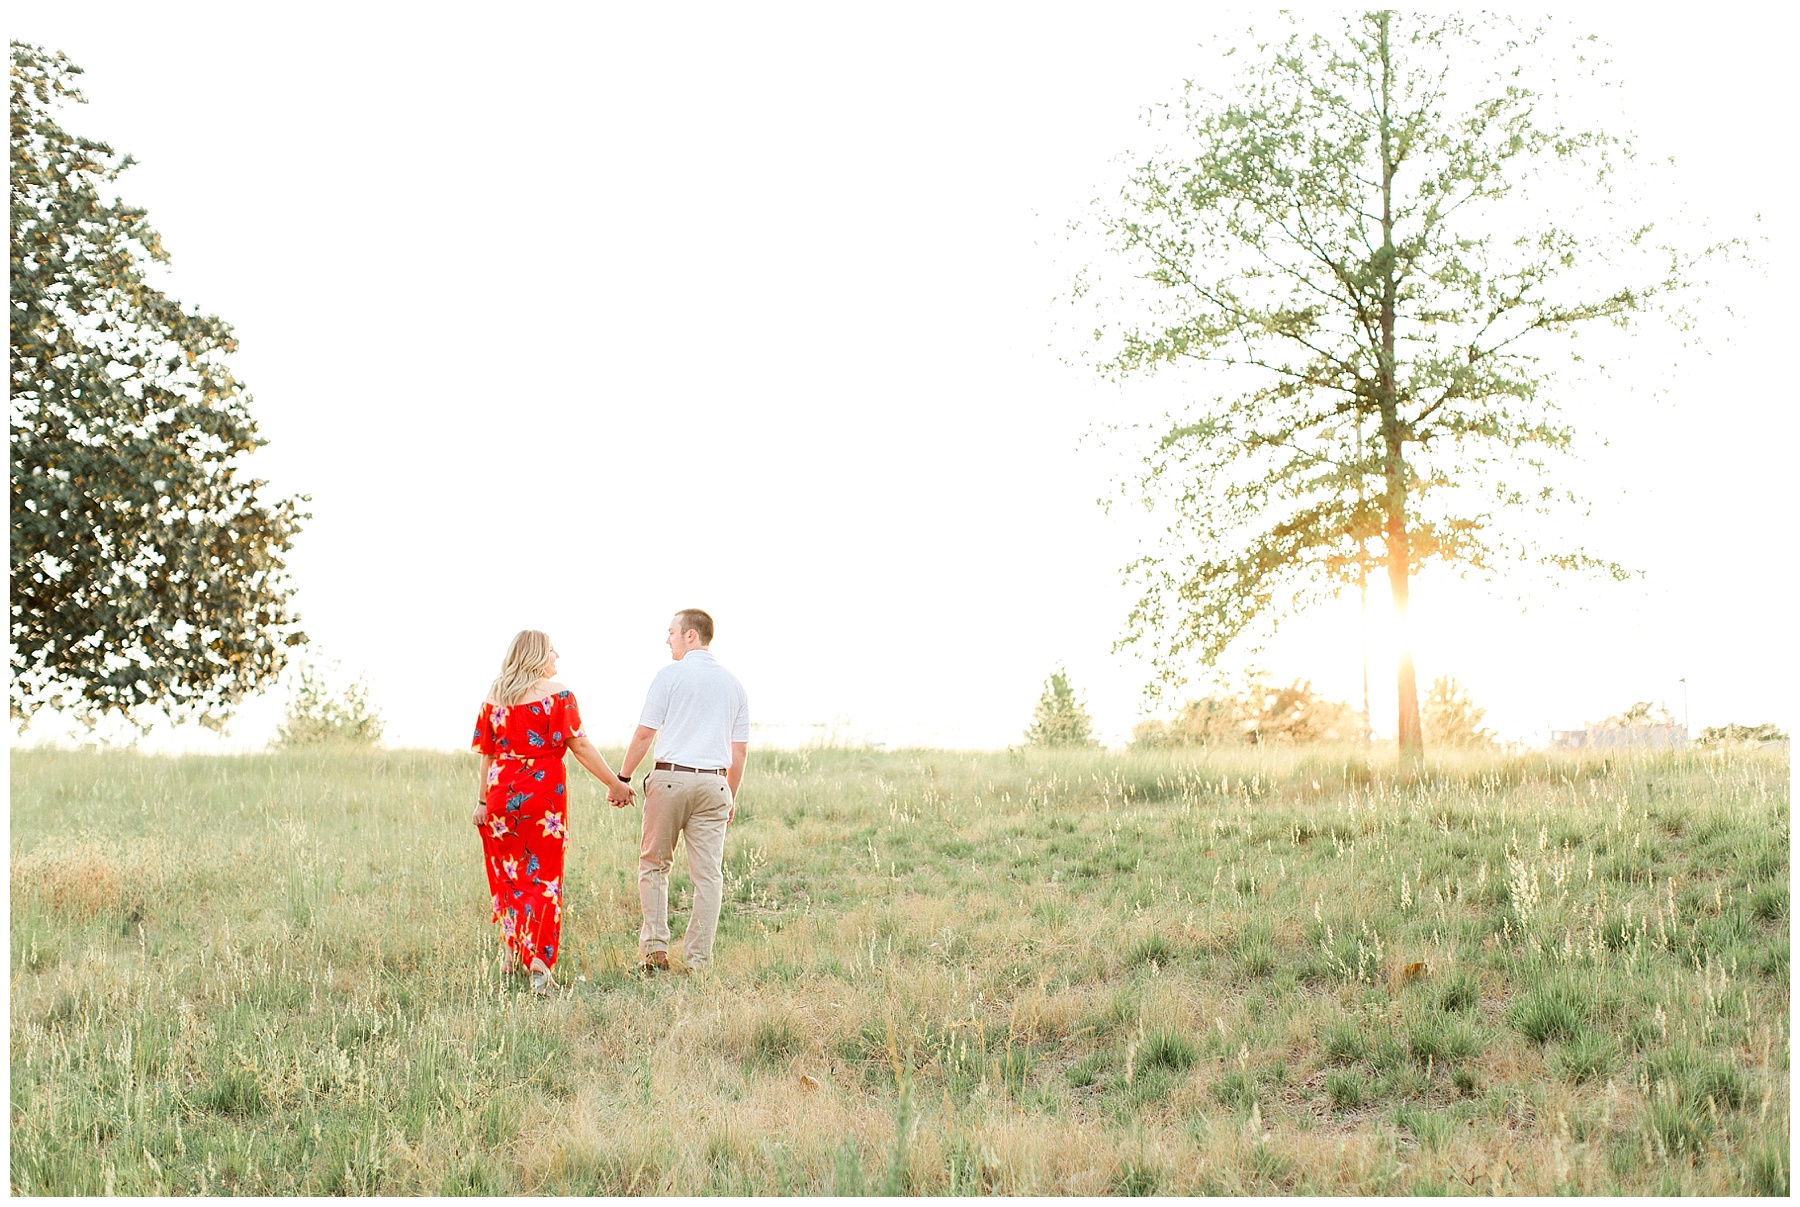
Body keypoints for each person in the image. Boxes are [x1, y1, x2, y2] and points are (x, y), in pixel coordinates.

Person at [472, 630, 633, 994]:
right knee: (543, 878)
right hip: (542, 796)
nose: (557, 656)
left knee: (511, 875)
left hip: (500, 795)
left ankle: (513, 956)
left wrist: (481, 802)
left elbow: (487, 753)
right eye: (552, 651)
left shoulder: (494, 697)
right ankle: (540, 966)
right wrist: (615, 783)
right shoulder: (559, 695)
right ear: (538, 656)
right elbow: (580, 746)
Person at [616, 609, 749, 976]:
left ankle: (655, 953)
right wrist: (730, 795)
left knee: (654, 866)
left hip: (671, 780)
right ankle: (698, 963)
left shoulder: (669, 676)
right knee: (708, 876)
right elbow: (738, 751)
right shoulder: (734, 685)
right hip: (714, 785)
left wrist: (623, 777)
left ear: (691, 635)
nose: (668, 639)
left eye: (671, 632)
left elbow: (645, 733)